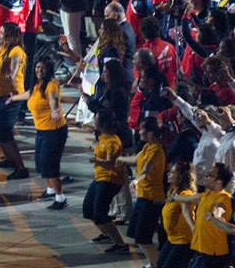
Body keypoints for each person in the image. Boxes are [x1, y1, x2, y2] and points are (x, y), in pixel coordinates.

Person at [0, 23, 30, 180]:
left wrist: (13, 73)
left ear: (10, 36)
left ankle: (21, 167)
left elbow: (15, 62)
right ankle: (8, 158)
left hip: (10, 98)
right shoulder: (2, 49)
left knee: (6, 133)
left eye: (1, 33)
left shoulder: (16, 50)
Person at [119, 117, 166, 267]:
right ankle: (152, 263)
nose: (139, 131)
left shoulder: (157, 151)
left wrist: (135, 181)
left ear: (151, 133)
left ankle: (159, 264)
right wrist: (119, 158)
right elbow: (135, 159)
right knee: (137, 236)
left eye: (142, 129)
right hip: (143, 197)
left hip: (152, 200)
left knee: (143, 238)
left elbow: (147, 170)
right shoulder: (147, 147)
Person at [168, 162, 233, 267]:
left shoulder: (224, 198)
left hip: (212, 253)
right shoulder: (205, 195)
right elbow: (188, 199)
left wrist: (215, 216)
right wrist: (174, 197)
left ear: (219, 182)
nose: (206, 177)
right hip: (201, 250)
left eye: (210, 175)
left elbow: (220, 208)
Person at [83, 112, 128, 254]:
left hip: (110, 180)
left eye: (96, 119)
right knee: (88, 209)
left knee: (100, 213)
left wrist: (96, 160)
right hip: (99, 178)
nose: (94, 121)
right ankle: (107, 234)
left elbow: (110, 164)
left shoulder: (113, 142)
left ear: (102, 123)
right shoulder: (102, 137)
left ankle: (120, 244)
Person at [28, 56, 68, 209]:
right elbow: (30, 96)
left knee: (49, 163)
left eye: (42, 68)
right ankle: (50, 190)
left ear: (48, 69)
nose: (39, 70)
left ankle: (60, 198)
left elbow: (53, 99)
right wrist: (14, 98)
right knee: (40, 161)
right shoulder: (38, 84)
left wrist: (54, 110)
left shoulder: (51, 85)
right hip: (42, 130)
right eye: (37, 67)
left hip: (54, 130)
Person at [158, 162, 196, 268]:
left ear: (181, 176)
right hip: (172, 239)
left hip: (183, 241)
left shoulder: (185, 195)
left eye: (172, 172)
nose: (168, 174)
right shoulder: (172, 192)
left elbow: (186, 211)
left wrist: (194, 227)